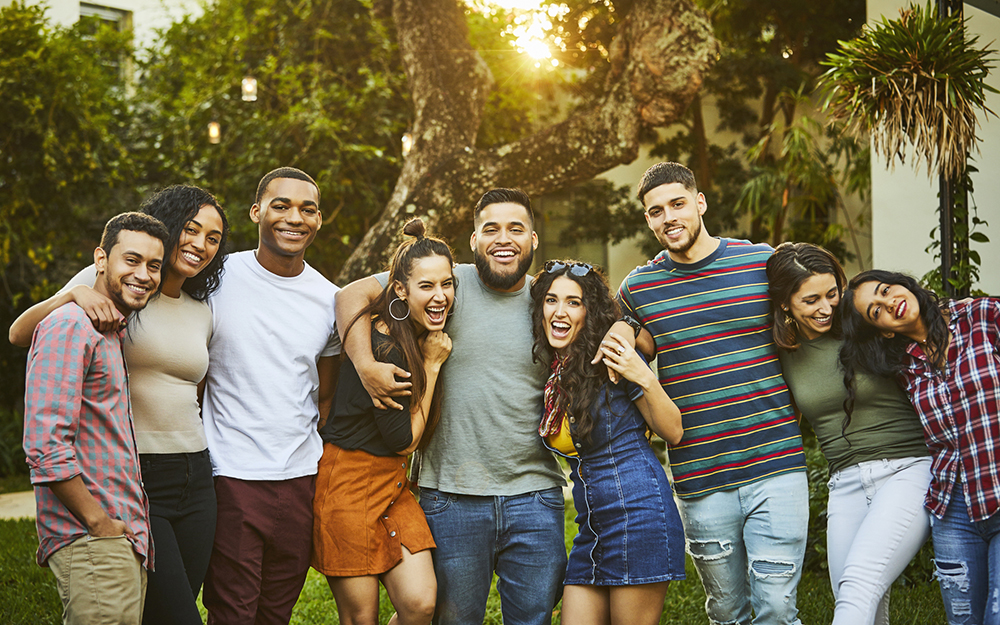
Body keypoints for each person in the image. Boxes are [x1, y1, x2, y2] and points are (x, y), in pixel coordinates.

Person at [336, 189, 597, 625]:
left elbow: (611, 321)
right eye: (491, 228)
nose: (504, 239)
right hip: (451, 497)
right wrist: (365, 364)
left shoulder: (550, 301)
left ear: (533, 239)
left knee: (533, 619)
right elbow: (348, 297)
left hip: (534, 496)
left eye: (516, 229)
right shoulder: (442, 284)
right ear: (473, 240)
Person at [10, 185, 230, 625]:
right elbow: (23, 333)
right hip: (140, 475)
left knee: (163, 607)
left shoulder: (201, 308)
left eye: (213, 237)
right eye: (190, 229)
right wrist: (71, 295)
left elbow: (195, 388)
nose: (200, 244)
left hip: (195, 474)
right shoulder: (111, 287)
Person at [616, 162, 808, 625]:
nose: (669, 218)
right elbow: (621, 353)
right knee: (726, 612)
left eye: (678, 204)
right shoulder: (638, 289)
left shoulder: (760, 262)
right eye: (656, 211)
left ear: (700, 203)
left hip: (776, 462)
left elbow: (813, 316)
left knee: (778, 607)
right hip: (700, 475)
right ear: (648, 220)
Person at [201, 167, 341, 625]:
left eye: (308, 209)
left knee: (276, 612)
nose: (294, 218)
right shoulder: (217, 276)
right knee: (233, 612)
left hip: (301, 479)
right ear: (256, 211)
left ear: (319, 220)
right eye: (281, 205)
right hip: (232, 475)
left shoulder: (330, 299)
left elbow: (324, 393)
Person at [765, 244, 931, 625]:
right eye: (811, 300)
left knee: (859, 584)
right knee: (854, 596)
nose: (826, 308)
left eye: (832, 293)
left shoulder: (866, 325)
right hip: (845, 482)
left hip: (908, 468)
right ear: (785, 304)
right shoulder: (781, 351)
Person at [22, 211, 166, 625]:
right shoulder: (70, 326)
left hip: (118, 537)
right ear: (101, 259)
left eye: (153, 266)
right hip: (90, 539)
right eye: (132, 260)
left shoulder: (108, 330)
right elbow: (45, 445)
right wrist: (98, 521)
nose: (143, 274)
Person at [312, 217, 453, 625]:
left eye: (447, 284)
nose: (440, 296)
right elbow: (404, 441)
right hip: (346, 484)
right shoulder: (387, 347)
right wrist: (431, 364)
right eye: (426, 286)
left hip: (392, 485)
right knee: (361, 617)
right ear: (399, 290)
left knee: (421, 604)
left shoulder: (412, 326)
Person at [529, 259, 685, 625]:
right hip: (591, 529)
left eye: (574, 302)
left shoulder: (612, 358)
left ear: (589, 311)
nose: (560, 311)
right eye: (552, 300)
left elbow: (673, 430)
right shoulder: (554, 371)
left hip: (639, 515)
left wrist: (642, 375)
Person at [840, 270, 1000, 625]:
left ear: (902, 284)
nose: (888, 303)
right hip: (954, 512)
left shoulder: (983, 316)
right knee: (963, 620)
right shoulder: (903, 367)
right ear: (882, 330)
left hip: (998, 486)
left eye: (885, 290)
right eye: (876, 311)